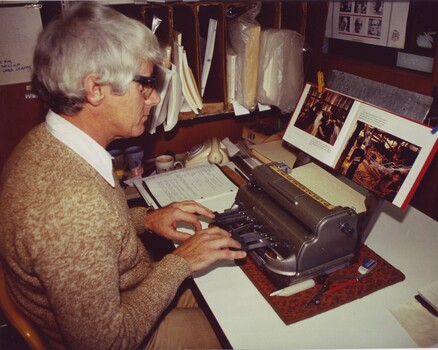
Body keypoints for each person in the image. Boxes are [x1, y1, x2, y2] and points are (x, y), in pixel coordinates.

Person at [0, 3, 246, 350]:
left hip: (124, 298)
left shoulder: (46, 142)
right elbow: (106, 343)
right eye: (145, 83)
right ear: (95, 88)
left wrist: (146, 219)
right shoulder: (70, 208)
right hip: (124, 338)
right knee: (247, 332)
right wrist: (180, 262)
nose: (155, 96)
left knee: (235, 292)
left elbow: (94, 234)